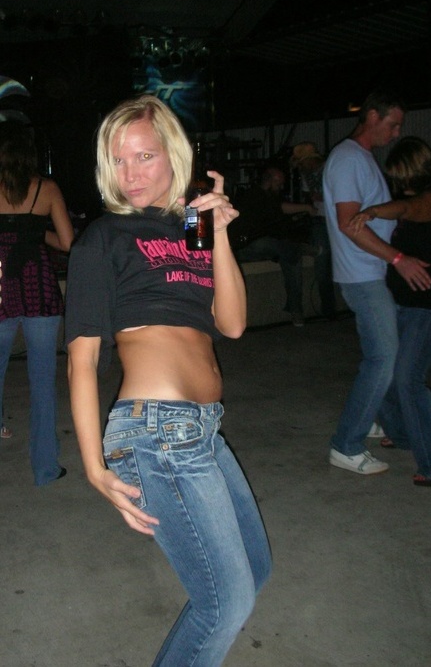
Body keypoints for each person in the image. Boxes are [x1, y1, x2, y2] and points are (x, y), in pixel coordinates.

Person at [65, 94, 271, 667]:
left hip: (204, 427)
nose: (130, 174)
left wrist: (218, 230)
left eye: (144, 156)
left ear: (173, 156)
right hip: (155, 430)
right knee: (224, 604)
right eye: (118, 160)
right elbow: (81, 361)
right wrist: (94, 467)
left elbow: (232, 324)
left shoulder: (193, 227)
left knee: (255, 569)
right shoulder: (103, 237)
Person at [322, 90, 431, 475]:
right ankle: (346, 445)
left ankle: (367, 417)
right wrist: (399, 259)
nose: (397, 132)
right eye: (393, 124)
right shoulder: (349, 159)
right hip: (363, 275)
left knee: (382, 355)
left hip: (370, 273)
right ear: (372, 116)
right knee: (383, 358)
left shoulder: (361, 158)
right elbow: (348, 224)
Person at [350, 136, 431, 486]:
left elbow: (409, 208)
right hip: (401, 300)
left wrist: (372, 212)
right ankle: (401, 433)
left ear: (411, 170)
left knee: (407, 378)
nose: (395, 179)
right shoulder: (409, 198)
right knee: (380, 366)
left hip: (430, 301)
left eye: (398, 172)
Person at [0, 120, 74, 483]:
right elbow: (68, 242)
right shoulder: (47, 189)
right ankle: (45, 468)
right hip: (38, 289)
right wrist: (31, 233)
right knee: (43, 382)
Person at [229, 165, 315, 326]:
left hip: (270, 246)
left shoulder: (271, 197)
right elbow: (279, 209)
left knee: (292, 257)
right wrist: (306, 208)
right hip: (245, 247)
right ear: (270, 180)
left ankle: (296, 309)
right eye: (279, 183)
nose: (281, 187)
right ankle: (300, 248)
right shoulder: (253, 195)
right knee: (266, 245)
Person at [291, 142, 336, 319]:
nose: (301, 167)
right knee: (321, 265)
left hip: (335, 219)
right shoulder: (306, 173)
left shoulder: (330, 169)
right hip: (319, 220)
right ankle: (328, 310)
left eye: (302, 163)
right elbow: (308, 195)